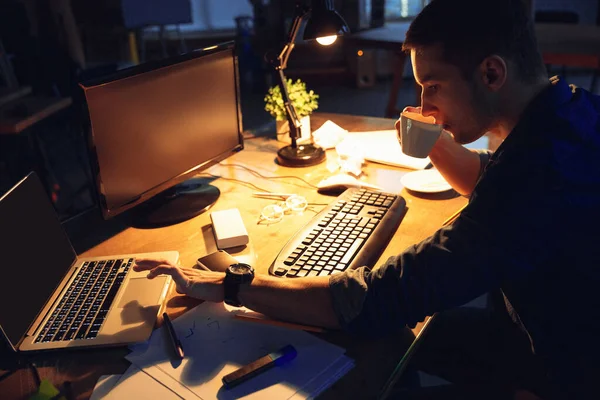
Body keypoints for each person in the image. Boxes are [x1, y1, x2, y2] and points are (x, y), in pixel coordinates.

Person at [134, 0, 600, 397]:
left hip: (562, 373)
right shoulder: (566, 111)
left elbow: (380, 297)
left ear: (492, 73)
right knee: (404, 337)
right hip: (549, 332)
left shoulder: (536, 177)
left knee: (377, 355)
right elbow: (489, 179)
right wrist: (438, 140)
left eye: (432, 86)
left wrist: (230, 285)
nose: (425, 103)